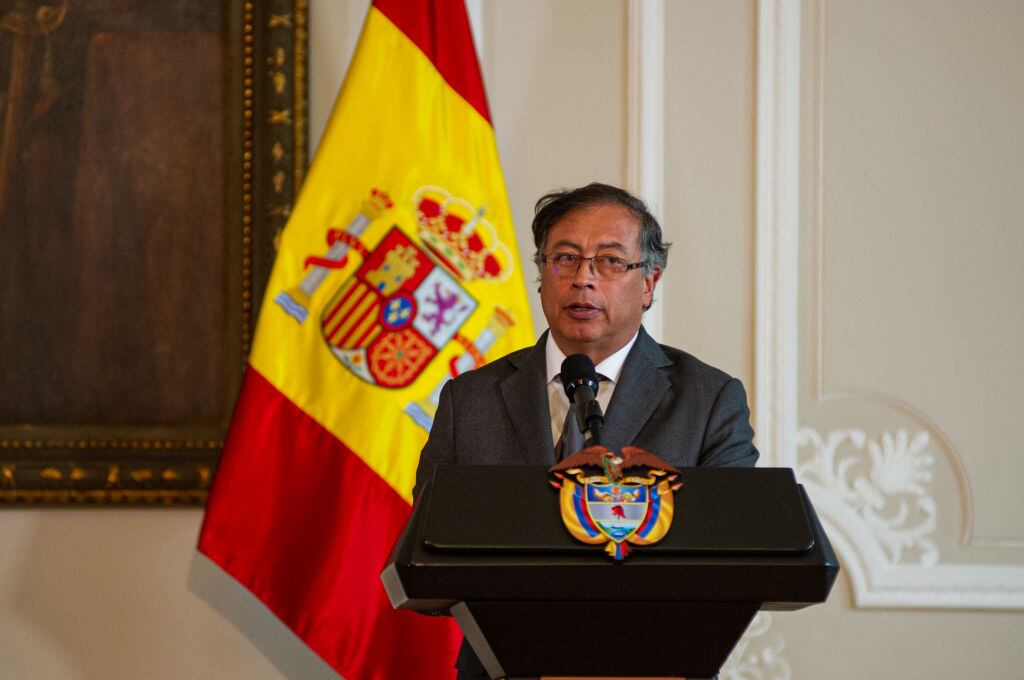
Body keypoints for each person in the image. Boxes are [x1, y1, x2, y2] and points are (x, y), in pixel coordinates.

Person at [414, 182, 758, 679]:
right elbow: (428, 557)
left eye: (611, 262)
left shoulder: (708, 400)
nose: (583, 280)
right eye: (565, 259)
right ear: (541, 275)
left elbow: (734, 557)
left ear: (650, 282)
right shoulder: (470, 400)